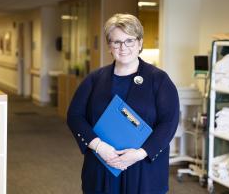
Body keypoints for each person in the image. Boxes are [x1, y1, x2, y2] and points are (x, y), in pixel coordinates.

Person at [67, 13, 179, 194]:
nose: (123, 47)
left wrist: (140, 153)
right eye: (116, 42)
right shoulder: (95, 79)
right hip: (102, 164)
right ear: (109, 46)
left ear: (140, 43)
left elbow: (169, 123)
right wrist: (98, 146)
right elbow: (75, 116)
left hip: (144, 169)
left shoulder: (159, 80)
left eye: (129, 41)